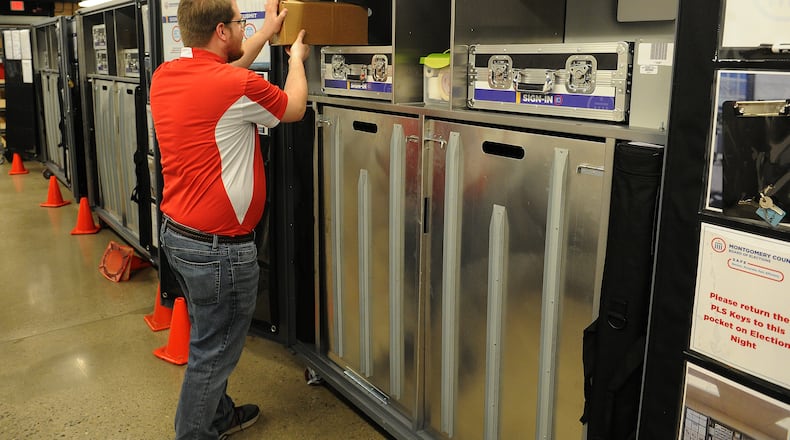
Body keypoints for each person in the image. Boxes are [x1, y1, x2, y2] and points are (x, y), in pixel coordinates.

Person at [149, 0, 309, 437]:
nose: (246, 27)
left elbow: (228, 68)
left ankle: (219, 417)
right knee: (212, 355)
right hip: (219, 251)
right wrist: (295, 59)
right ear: (222, 30)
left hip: (178, 237)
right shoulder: (236, 85)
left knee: (207, 334)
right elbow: (294, 107)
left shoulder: (165, 76)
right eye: (242, 22)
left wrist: (265, 31)